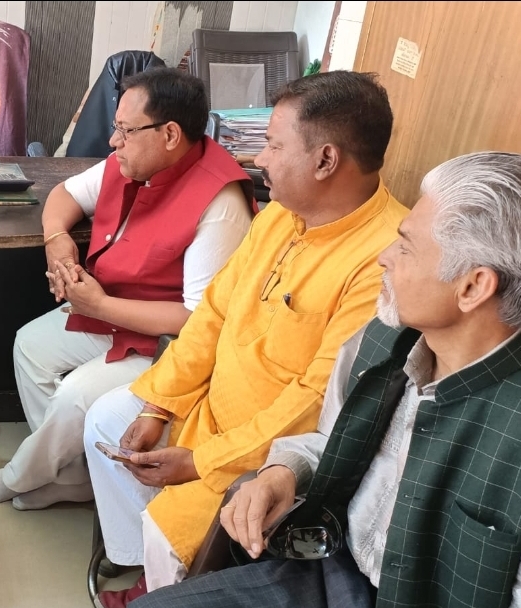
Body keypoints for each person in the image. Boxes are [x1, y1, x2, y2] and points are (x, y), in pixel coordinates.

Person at [133, 150, 521, 608]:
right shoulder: (380, 342)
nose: (384, 258)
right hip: (330, 564)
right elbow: (329, 439)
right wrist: (283, 472)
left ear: (473, 286)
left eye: (405, 247)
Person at [83, 70, 409, 606]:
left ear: (325, 160)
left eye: (274, 145)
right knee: (107, 421)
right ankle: (139, 565)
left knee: (169, 529)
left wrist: (202, 461)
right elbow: (213, 312)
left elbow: (315, 403)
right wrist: (160, 406)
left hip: (261, 450)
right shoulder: (279, 214)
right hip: (207, 408)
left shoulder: (381, 262)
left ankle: (163, 586)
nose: (259, 159)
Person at [0, 67, 255, 510]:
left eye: (125, 130)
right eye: (115, 127)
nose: (112, 141)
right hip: (112, 308)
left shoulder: (221, 203)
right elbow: (64, 195)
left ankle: (18, 476)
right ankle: (77, 476)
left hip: (167, 342)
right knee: (30, 345)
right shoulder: (134, 160)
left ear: (170, 134)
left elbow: (197, 321)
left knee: (76, 395)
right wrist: (57, 241)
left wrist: (99, 305)